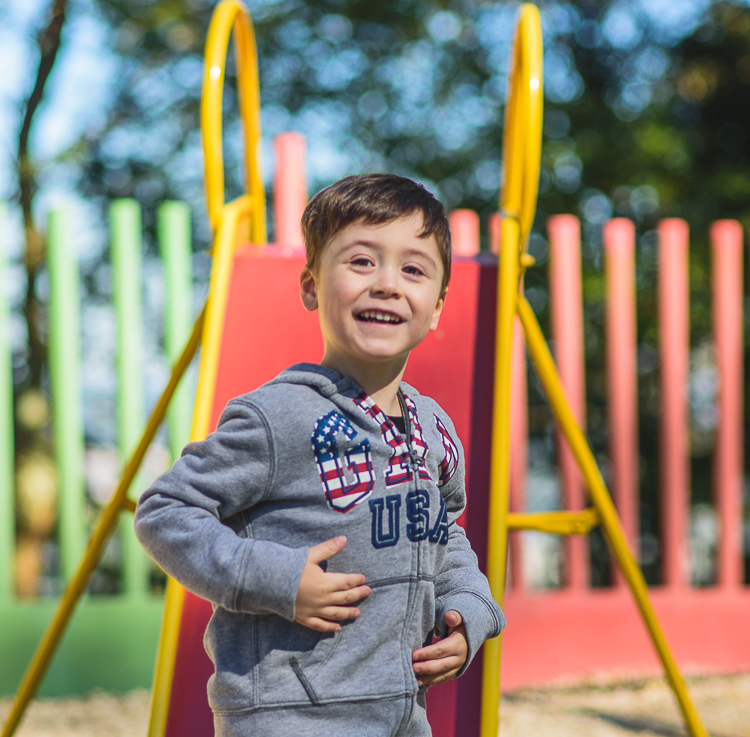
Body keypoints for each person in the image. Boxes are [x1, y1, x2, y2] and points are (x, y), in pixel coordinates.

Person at [135, 173, 505, 736]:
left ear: (436, 307)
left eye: (412, 269)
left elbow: (443, 530)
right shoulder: (277, 416)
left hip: (401, 710)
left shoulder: (432, 427)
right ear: (311, 285)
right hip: (289, 713)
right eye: (361, 261)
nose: (387, 284)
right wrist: (278, 578)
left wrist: (467, 611)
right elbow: (165, 511)